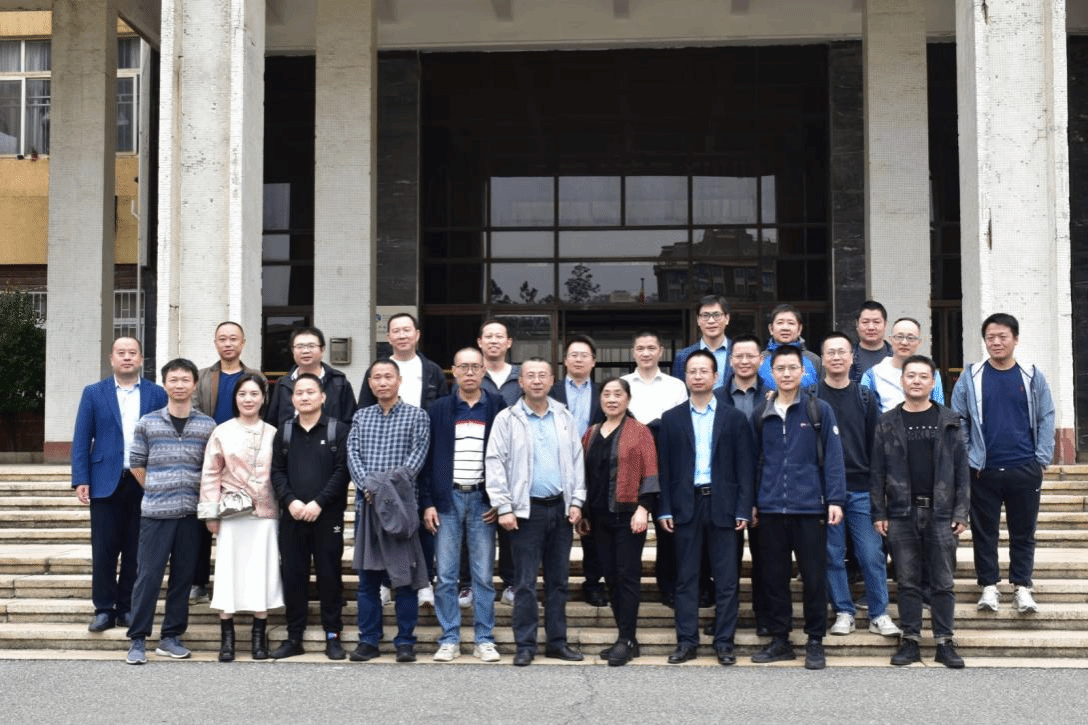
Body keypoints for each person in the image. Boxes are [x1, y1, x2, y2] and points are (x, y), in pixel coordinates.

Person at [951, 313, 1055, 614]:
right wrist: (969, 457)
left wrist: (1041, 459)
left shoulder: (1031, 375)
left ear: (1015, 339)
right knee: (985, 532)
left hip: (1024, 467)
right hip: (983, 470)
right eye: (990, 337)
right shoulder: (971, 377)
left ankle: (1022, 587)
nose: (996, 342)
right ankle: (988, 586)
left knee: (1024, 532)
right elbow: (959, 419)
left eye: (1002, 336)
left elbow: (1046, 416)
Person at [486, 358, 586, 666]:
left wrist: (576, 501)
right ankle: (525, 645)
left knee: (559, 582)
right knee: (525, 583)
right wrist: (503, 506)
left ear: (552, 380)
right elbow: (495, 463)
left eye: (543, 375)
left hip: (560, 510)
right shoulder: (507, 419)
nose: (537, 381)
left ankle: (557, 642)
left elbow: (576, 460)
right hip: (524, 512)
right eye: (531, 376)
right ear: (521, 382)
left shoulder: (564, 416)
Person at [751, 345, 846, 670]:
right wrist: (751, 503)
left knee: (814, 578)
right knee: (774, 578)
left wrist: (835, 499)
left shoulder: (818, 410)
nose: (787, 374)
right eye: (781, 368)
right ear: (771, 373)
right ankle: (780, 639)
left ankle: (815, 640)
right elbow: (753, 461)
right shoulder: (761, 414)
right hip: (770, 509)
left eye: (793, 368)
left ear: (803, 372)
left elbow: (833, 457)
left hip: (810, 509)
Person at [871, 355, 969, 668]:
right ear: (902, 380)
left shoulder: (949, 420)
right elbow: (877, 472)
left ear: (932, 382)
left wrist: (961, 512)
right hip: (901, 513)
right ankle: (910, 640)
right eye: (911, 375)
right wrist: (879, 512)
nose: (916, 381)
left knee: (943, 581)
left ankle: (944, 642)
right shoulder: (887, 422)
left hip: (941, 513)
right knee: (907, 581)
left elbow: (962, 470)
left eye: (923, 376)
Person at [658, 351, 754, 666]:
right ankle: (686, 642)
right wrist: (665, 508)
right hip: (685, 505)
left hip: (723, 506)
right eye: (692, 371)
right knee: (686, 578)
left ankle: (724, 643)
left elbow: (745, 467)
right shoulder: (671, 419)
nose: (698, 376)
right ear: (685, 377)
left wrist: (743, 508)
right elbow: (664, 468)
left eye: (704, 371)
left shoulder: (734, 418)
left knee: (727, 580)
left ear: (715, 377)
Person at [124, 358, 216, 665]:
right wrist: (155, 487)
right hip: (156, 514)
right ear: (165, 385)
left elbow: (212, 468)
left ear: (194, 384)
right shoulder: (148, 423)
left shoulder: (207, 426)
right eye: (173, 380)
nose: (179, 385)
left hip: (191, 515)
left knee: (183, 578)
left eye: (185, 380)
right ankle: (138, 638)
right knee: (148, 577)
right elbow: (136, 463)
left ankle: (171, 636)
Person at [71, 337, 166, 633]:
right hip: (104, 481)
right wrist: (81, 479)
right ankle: (104, 608)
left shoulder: (156, 394)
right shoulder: (93, 393)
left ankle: (127, 607)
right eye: (121, 353)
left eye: (132, 353)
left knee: (136, 549)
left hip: (143, 481)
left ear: (141, 359)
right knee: (104, 549)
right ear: (111, 358)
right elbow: (82, 437)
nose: (127, 357)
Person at [357, 312, 449, 608]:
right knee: (385, 523)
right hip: (383, 460)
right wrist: (372, 482)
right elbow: (363, 412)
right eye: (395, 330)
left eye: (407, 330)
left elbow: (442, 410)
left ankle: (424, 582)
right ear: (388, 337)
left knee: (422, 520)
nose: (401, 335)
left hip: (421, 454)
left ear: (417, 334)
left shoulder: (431, 370)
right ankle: (386, 581)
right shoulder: (378, 370)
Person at [420, 348, 505, 663]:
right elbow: (427, 460)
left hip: (483, 500)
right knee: (446, 575)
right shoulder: (439, 409)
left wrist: (500, 500)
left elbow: (507, 455)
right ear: (453, 371)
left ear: (484, 371)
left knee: (483, 576)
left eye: (475, 367)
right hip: (447, 500)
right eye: (463, 367)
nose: (469, 372)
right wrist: (427, 502)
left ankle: (484, 639)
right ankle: (449, 638)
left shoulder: (497, 406)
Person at [816, 332, 900, 638]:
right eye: (830, 352)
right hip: (825, 492)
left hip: (861, 489)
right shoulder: (812, 397)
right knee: (832, 554)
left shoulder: (864, 397)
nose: (836, 357)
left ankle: (879, 614)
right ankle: (843, 611)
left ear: (852, 358)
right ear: (822, 359)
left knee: (871, 554)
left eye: (842, 352)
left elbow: (876, 449)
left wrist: (880, 493)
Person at [346, 359, 431, 663]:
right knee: (368, 581)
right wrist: (369, 487)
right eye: (377, 377)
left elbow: (415, 460)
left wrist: (383, 490)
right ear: (370, 383)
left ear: (399, 380)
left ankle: (405, 641)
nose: (382, 382)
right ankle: (368, 640)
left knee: (404, 580)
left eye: (388, 377)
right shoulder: (361, 417)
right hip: (368, 508)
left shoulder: (417, 416)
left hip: (401, 511)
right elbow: (353, 456)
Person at [199, 373, 283, 661]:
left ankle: (259, 638)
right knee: (229, 572)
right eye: (242, 394)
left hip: (266, 513)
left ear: (263, 398)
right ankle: (228, 640)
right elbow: (210, 474)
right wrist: (210, 513)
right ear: (235, 399)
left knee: (262, 571)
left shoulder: (273, 433)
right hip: (232, 513)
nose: (248, 399)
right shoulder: (222, 432)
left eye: (254, 394)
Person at [268, 373, 351, 660]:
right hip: (292, 516)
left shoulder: (338, 430)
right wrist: (290, 501)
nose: (304, 397)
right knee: (293, 576)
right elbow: (276, 471)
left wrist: (318, 503)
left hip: (326, 517)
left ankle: (333, 636)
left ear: (323, 397)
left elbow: (342, 471)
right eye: (299, 392)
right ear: (292, 398)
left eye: (310, 392)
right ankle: (294, 637)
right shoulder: (284, 431)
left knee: (329, 576)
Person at [581, 378, 659, 666]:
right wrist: (583, 512)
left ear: (628, 399)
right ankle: (627, 639)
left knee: (627, 576)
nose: (612, 399)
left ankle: (626, 638)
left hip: (628, 515)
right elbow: (583, 474)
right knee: (611, 576)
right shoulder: (591, 433)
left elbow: (651, 471)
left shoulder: (640, 432)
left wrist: (644, 508)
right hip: (598, 516)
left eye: (618, 394)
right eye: (607, 394)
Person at [191, 321, 261, 604]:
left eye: (233, 338)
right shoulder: (203, 377)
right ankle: (199, 581)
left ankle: (243, 582)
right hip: (210, 457)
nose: (228, 343)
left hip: (245, 462)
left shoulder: (254, 377)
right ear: (215, 343)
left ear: (243, 343)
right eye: (222, 339)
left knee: (242, 522)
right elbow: (195, 413)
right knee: (204, 522)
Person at [621, 330, 688, 610]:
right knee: (628, 531)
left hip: (666, 464)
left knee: (667, 529)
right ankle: (625, 590)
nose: (646, 353)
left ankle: (668, 587)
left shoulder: (676, 386)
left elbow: (682, 428)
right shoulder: (623, 384)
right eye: (640, 348)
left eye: (651, 348)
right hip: (629, 465)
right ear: (633, 352)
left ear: (661, 351)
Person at [714, 333, 770, 635]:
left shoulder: (773, 395)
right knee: (726, 561)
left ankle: (765, 617)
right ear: (730, 360)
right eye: (739, 356)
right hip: (725, 489)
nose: (745, 361)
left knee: (764, 558)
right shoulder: (716, 397)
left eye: (751, 356)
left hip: (765, 486)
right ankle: (725, 619)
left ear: (760, 360)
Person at [549, 334, 607, 607]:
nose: (579, 360)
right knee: (554, 530)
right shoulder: (552, 391)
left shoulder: (604, 392)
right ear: (565, 360)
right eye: (573, 355)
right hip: (556, 469)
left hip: (593, 469)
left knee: (592, 531)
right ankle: (553, 585)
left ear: (593, 361)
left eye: (584, 355)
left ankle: (593, 583)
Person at [265, 326, 357, 426]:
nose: (305, 351)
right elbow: (272, 422)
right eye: (300, 346)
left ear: (322, 349)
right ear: (292, 350)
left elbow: (350, 421)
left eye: (311, 346)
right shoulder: (283, 384)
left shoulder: (339, 382)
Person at [862, 317, 945, 412]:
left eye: (910, 338)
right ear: (890, 339)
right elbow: (865, 412)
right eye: (899, 337)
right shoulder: (872, 375)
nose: (904, 342)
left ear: (919, 342)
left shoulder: (931, 374)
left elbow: (939, 410)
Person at [672, 294, 732, 387]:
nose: (711, 321)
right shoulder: (683, 356)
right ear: (698, 320)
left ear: (727, 318)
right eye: (705, 315)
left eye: (716, 315)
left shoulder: (740, 353)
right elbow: (679, 391)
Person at [757, 304, 822, 390]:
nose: (785, 328)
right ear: (771, 328)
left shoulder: (814, 360)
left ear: (799, 329)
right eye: (780, 323)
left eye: (791, 323)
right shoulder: (759, 360)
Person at [478, 318, 523, 407]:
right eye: (488, 336)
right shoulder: (470, 375)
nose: (494, 341)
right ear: (480, 342)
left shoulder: (521, 375)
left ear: (509, 342)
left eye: (499, 336)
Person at [851, 300, 892, 383]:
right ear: (857, 324)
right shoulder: (847, 357)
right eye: (865, 322)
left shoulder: (896, 356)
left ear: (885, 324)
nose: (871, 327)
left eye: (876, 322)